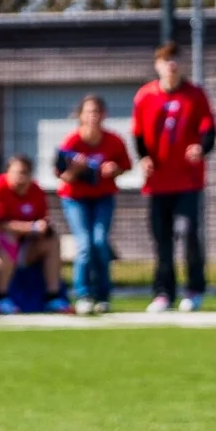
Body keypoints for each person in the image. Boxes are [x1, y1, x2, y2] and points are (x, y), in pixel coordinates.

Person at [132, 41, 215, 313]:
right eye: (166, 60)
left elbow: (209, 129)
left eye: (176, 59)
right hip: (158, 182)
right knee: (162, 238)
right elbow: (139, 135)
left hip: (188, 181)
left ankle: (194, 288)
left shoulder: (195, 95)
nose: (172, 65)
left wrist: (201, 148)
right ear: (157, 65)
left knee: (189, 233)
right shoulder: (145, 96)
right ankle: (163, 292)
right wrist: (143, 158)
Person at [55, 95, 132, 315]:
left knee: (99, 242)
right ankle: (83, 294)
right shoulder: (71, 142)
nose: (93, 117)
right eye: (88, 112)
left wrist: (113, 169)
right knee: (85, 244)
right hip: (75, 198)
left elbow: (125, 166)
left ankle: (103, 295)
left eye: (97, 112)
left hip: (103, 196)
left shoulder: (114, 140)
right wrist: (77, 169)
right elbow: (63, 176)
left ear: (104, 115)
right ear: (80, 116)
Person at [0, 154, 66, 314]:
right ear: (8, 173)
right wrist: (31, 227)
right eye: (18, 172)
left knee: (51, 240)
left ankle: (53, 297)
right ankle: (1, 297)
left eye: (25, 172)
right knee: (8, 240)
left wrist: (43, 228)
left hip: (23, 245)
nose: (21, 177)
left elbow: (41, 221)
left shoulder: (36, 191)